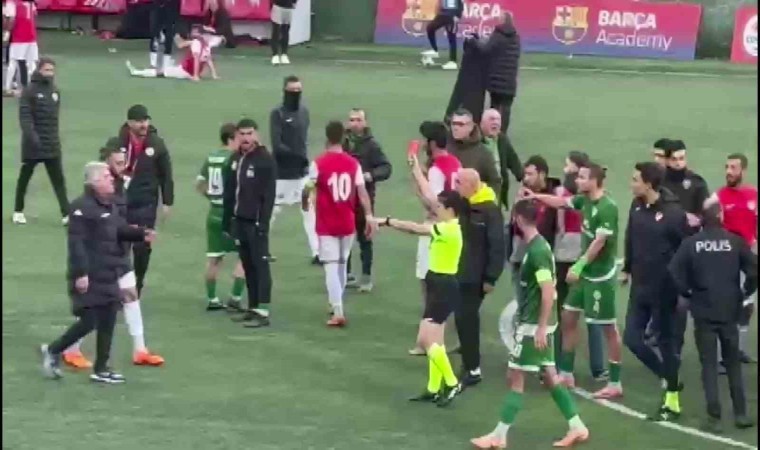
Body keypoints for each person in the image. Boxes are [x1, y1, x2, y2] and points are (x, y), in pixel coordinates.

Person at [471, 199, 589, 450]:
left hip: (533, 326)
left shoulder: (537, 252)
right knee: (550, 376)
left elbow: (547, 291)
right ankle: (577, 426)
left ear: (518, 219)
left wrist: (541, 327)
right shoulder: (538, 246)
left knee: (515, 377)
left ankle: (499, 436)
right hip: (537, 322)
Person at [40, 162, 156, 384]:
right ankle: (54, 350)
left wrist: (141, 234)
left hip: (109, 272)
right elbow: (76, 243)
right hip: (90, 275)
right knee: (90, 319)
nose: (111, 179)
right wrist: (81, 273)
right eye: (106, 176)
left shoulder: (109, 205)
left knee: (108, 318)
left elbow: (119, 230)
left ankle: (101, 368)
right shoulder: (80, 208)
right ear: (94, 182)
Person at [526, 162, 623, 399]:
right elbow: (561, 202)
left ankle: (615, 382)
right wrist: (536, 197)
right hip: (586, 274)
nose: (577, 181)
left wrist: (578, 266)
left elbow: (599, 243)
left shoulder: (607, 208)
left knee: (608, 328)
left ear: (594, 181)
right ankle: (567, 373)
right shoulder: (583, 201)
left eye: (582, 177)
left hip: (600, 277)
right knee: (568, 317)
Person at [668, 201, 757, 432]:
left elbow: (674, 271)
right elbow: (754, 270)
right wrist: (745, 292)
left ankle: (714, 417)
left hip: (703, 310)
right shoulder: (734, 241)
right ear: (721, 217)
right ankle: (741, 414)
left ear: (702, 219)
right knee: (733, 363)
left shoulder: (691, 243)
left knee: (708, 364)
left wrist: (688, 292)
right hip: (729, 310)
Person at [373, 190, 467, 407]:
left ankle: (452, 383)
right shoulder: (448, 226)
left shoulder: (448, 228)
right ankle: (434, 388)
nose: (436, 210)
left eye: (440, 207)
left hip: (443, 287)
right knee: (436, 342)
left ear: (451, 210)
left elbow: (415, 229)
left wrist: (388, 221)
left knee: (426, 341)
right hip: (438, 284)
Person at [104, 104, 173, 366]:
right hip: (122, 204)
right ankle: (115, 291)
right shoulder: (117, 143)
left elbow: (166, 173)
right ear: (130, 123)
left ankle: (136, 289)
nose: (143, 125)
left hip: (145, 203)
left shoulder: (156, 144)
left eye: (146, 120)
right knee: (118, 248)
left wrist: (167, 201)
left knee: (142, 249)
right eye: (139, 121)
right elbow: (103, 168)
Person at [623, 162, 688, 422]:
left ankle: (672, 402)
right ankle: (667, 375)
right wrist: (627, 268)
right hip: (640, 286)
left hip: (664, 289)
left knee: (666, 342)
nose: (631, 184)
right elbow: (630, 237)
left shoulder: (673, 213)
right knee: (632, 339)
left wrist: (681, 282)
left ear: (649, 184)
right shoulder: (636, 206)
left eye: (635, 179)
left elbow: (685, 249)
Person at [302, 121, 377, 326]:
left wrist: (305, 203)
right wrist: (369, 215)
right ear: (344, 137)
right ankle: (337, 302)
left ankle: (337, 310)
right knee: (342, 264)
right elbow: (362, 192)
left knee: (330, 265)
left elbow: (308, 188)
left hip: (327, 222)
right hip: (347, 221)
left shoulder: (319, 163)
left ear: (327, 137)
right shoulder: (353, 164)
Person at [408, 121, 461, 356]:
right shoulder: (455, 163)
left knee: (428, 282)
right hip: (454, 227)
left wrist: (417, 178)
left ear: (431, 143)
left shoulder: (437, 169)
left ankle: (430, 339)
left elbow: (433, 203)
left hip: (435, 228)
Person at [553, 152, 607, 381]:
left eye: (568, 165)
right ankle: (598, 367)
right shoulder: (597, 199)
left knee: (563, 315)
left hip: (566, 257)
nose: (565, 169)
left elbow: (558, 225)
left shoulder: (566, 193)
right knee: (592, 315)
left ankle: (560, 366)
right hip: (587, 259)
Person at [450, 168, 504, 386]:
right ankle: (468, 363)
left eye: (459, 182)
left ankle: (473, 368)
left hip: (476, 277)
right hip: (460, 273)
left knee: (467, 318)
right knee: (461, 318)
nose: (455, 186)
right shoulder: (464, 205)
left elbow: (497, 246)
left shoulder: (490, 211)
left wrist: (491, 277)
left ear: (472, 186)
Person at [222, 118, 277, 328]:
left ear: (256, 135)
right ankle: (253, 307)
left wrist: (263, 224)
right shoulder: (235, 158)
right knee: (248, 264)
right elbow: (229, 192)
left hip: (255, 222)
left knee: (260, 264)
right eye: (242, 134)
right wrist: (227, 221)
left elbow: (269, 196)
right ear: (237, 135)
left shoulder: (265, 160)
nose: (246, 138)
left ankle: (263, 310)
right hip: (239, 221)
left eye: (249, 133)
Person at [710, 153, 758, 363]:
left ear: (743, 170)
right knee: (727, 305)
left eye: (733, 168)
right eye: (727, 167)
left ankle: (738, 349)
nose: (728, 172)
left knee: (747, 305)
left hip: (749, 255)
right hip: (726, 257)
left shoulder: (753, 195)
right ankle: (723, 355)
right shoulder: (718, 197)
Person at [13, 58, 69, 226]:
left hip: (51, 143)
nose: (49, 74)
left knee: (58, 181)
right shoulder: (29, 91)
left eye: (52, 70)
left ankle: (66, 214)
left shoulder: (55, 91)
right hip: (33, 145)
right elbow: (25, 118)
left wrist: (54, 140)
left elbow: (54, 119)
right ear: (39, 70)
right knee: (25, 178)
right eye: (46, 70)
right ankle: (18, 211)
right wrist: (33, 138)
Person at [195, 123, 246, 311]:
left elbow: (199, 184)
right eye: (239, 137)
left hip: (214, 213)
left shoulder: (211, 157)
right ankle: (235, 297)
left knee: (214, 259)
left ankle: (212, 299)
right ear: (231, 139)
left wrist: (212, 197)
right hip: (232, 215)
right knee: (245, 256)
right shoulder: (235, 159)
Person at [269, 75, 319, 263]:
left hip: (302, 176)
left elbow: (303, 141)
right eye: (292, 90)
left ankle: (317, 252)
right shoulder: (277, 114)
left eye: (298, 90)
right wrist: (298, 157)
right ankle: (259, 249)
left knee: (309, 211)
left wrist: (303, 161)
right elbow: (277, 145)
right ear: (285, 91)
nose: (296, 94)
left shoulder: (304, 112)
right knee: (270, 214)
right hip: (281, 176)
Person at [343, 108, 392, 292]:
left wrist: (370, 175)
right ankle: (346, 274)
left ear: (365, 123)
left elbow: (386, 168)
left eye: (358, 120)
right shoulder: (343, 143)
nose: (354, 123)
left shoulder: (372, 146)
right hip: (344, 198)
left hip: (364, 199)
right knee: (344, 237)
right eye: (352, 119)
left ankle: (366, 277)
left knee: (364, 238)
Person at [465, 13, 520, 133]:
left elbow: (485, 49)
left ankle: (491, 131)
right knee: (506, 109)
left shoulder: (498, 35)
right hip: (510, 80)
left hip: (496, 79)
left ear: (502, 20)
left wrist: (474, 41)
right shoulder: (516, 37)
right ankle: (502, 133)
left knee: (494, 107)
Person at [127, 25, 219, 81]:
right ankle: (137, 72)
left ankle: (136, 71)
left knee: (162, 71)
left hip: (186, 71)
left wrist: (213, 75)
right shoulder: (198, 43)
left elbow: (207, 60)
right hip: (185, 71)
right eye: (208, 34)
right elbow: (197, 59)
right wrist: (196, 75)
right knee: (161, 72)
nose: (209, 37)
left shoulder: (205, 45)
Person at [447, 108, 501, 195]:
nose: (456, 128)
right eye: (454, 124)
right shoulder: (444, 148)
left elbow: (495, 182)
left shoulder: (483, 153)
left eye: (460, 124)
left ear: (471, 127)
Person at [480, 109, 522, 209]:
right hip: (480, 191)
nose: (495, 122)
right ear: (482, 123)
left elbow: (514, 161)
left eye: (498, 120)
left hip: (498, 191)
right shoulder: (475, 141)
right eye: (492, 119)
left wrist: (524, 178)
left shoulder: (502, 140)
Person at [2, 0, 36, 97]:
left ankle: (7, 88)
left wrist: (7, 33)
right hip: (32, 36)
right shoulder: (30, 3)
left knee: (13, 62)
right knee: (31, 63)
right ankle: (33, 88)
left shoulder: (12, 2)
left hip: (19, 37)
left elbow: (11, 20)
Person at [420, 0, 463, 70]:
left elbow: (460, 2)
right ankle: (435, 50)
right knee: (430, 28)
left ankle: (453, 61)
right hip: (443, 13)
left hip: (452, 15)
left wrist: (458, 15)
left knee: (451, 36)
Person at [148, 0, 180, 70]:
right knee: (154, 32)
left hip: (170, 5)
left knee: (169, 33)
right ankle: (153, 63)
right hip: (157, 5)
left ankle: (166, 62)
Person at [270, 0, 296, 65]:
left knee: (285, 31)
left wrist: (294, 2)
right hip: (277, 6)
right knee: (276, 31)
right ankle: (275, 55)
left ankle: (284, 54)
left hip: (288, 8)